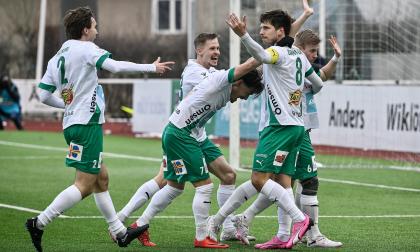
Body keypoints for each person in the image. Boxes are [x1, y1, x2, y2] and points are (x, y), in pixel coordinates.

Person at [25, 6, 174, 252]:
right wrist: (150, 68)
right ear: (85, 30)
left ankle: (119, 232)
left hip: (72, 124)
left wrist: (67, 106)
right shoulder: (88, 49)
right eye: (94, 26)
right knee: (84, 184)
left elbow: (42, 95)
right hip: (87, 125)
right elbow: (114, 67)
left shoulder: (57, 56)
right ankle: (39, 222)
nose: (97, 30)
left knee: (101, 179)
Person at [116, 32, 254, 246]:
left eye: (218, 48)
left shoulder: (211, 73)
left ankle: (225, 228)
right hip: (182, 134)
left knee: (225, 175)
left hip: (195, 134)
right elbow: (231, 76)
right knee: (180, 183)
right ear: (199, 50)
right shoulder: (197, 73)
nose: (217, 52)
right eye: (212, 48)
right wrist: (266, 52)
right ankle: (120, 220)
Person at [207, 10, 324, 250]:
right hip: (297, 128)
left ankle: (300, 221)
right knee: (283, 183)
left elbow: (260, 55)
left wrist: (243, 35)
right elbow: (319, 83)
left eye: (266, 28)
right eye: (260, 28)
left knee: (259, 179)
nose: (261, 32)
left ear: (281, 31)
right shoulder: (299, 56)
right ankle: (278, 234)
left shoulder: (277, 52)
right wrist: (297, 94)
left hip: (278, 127)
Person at [240, 30, 344, 249]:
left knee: (282, 183)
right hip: (289, 130)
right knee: (293, 181)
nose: (315, 55)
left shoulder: (299, 67)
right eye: (312, 51)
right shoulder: (287, 65)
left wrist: (335, 58)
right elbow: (317, 82)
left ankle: (253, 222)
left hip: (292, 130)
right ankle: (309, 231)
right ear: (299, 49)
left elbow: (321, 78)